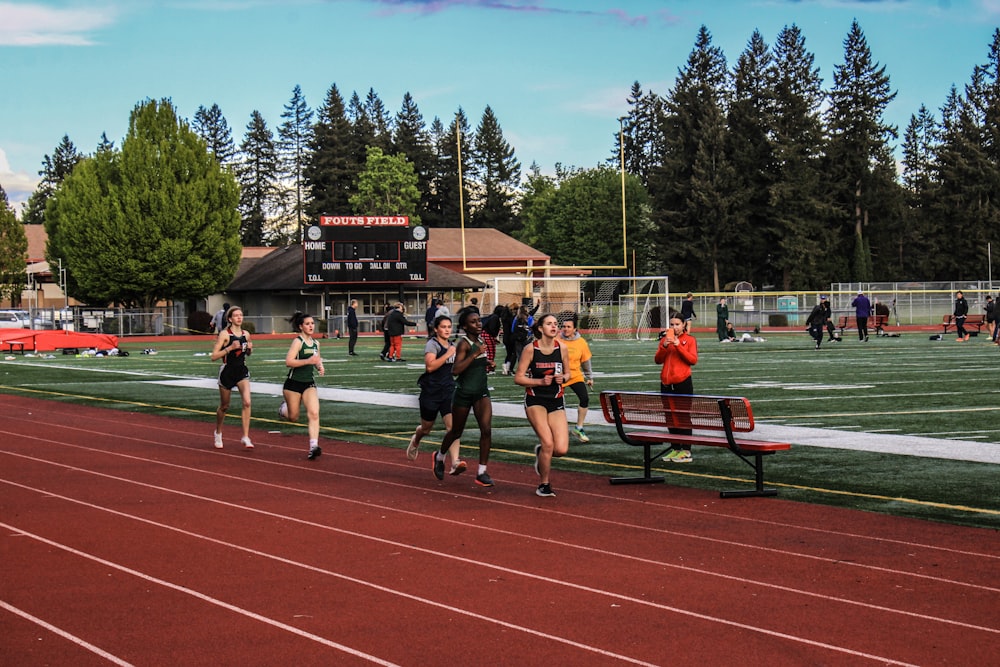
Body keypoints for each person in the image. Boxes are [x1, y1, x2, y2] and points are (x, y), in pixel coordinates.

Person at [433, 309, 496, 487]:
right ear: (464, 326)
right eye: (474, 322)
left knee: (486, 430)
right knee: (456, 432)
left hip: (481, 392)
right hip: (464, 393)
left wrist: (487, 363)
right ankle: (440, 456)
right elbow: (456, 370)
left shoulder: (480, 340)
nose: (478, 324)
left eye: (479, 321)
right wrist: (476, 355)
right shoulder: (464, 344)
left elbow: (476, 364)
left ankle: (482, 472)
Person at [517, 313, 571, 496]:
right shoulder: (531, 349)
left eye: (556, 324)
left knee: (561, 449)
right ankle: (544, 484)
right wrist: (540, 382)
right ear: (540, 328)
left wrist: (562, 377)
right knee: (548, 442)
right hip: (535, 400)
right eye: (549, 324)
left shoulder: (562, 348)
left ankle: (541, 453)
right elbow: (519, 377)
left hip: (556, 400)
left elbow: (568, 374)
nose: (554, 327)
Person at [406, 315, 464, 474]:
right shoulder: (432, 345)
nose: (447, 330)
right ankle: (416, 440)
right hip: (431, 392)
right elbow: (430, 367)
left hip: (448, 391)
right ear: (436, 329)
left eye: (449, 327)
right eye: (443, 327)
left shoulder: (453, 345)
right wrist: (447, 354)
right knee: (426, 429)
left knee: (453, 427)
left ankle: (455, 462)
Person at [278, 312, 325, 460]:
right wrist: (308, 361)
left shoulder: (316, 343)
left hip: (309, 383)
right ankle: (283, 409)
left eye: (312, 323)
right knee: (293, 417)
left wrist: (319, 366)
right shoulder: (297, 342)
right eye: (307, 324)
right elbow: (289, 362)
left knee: (314, 413)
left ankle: (313, 446)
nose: (311, 326)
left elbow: (316, 359)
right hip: (293, 384)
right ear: (301, 326)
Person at [656, 313, 698, 462]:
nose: (674, 327)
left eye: (677, 324)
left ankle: (686, 450)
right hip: (666, 383)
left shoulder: (690, 340)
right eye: (672, 324)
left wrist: (678, 346)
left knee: (683, 415)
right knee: (669, 416)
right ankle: (675, 448)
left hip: (682, 382)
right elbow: (657, 360)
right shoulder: (664, 339)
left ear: (684, 325)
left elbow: (692, 360)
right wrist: (665, 346)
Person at [210, 305, 254, 450]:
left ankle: (246, 436)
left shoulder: (246, 334)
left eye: (241, 315)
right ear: (230, 319)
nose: (239, 317)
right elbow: (214, 356)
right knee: (224, 406)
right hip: (227, 372)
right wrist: (230, 348)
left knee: (247, 402)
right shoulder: (224, 334)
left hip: (241, 371)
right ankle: (218, 432)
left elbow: (247, 353)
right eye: (236, 315)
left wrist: (249, 350)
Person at [559, 313, 593, 443]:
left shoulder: (581, 342)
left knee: (584, 398)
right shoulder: (557, 340)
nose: (565, 329)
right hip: (559, 376)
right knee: (557, 404)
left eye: (568, 327)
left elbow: (586, 361)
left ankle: (579, 427)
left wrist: (589, 377)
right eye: (564, 326)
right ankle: (558, 429)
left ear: (574, 329)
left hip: (575, 375)